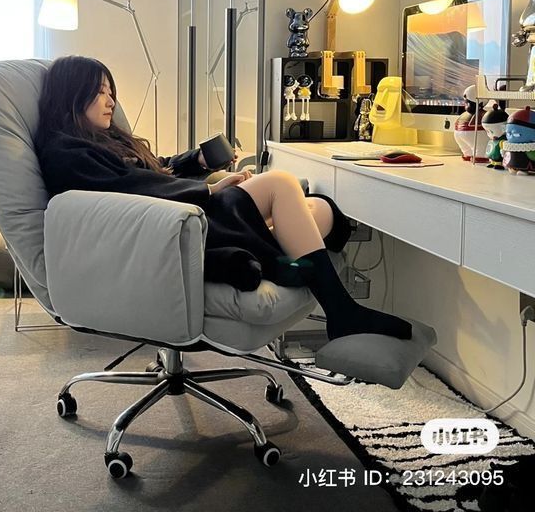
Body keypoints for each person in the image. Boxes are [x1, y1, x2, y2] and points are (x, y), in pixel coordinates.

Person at [34, 56, 412, 342]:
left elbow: (154, 171)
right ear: (72, 95)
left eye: (111, 92)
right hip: (171, 228)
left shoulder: (106, 141)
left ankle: (280, 260)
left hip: (186, 214)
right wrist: (212, 189)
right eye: (100, 92)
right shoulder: (65, 152)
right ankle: (342, 311)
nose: (110, 100)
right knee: (280, 182)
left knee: (316, 209)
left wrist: (197, 160)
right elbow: (130, 191)